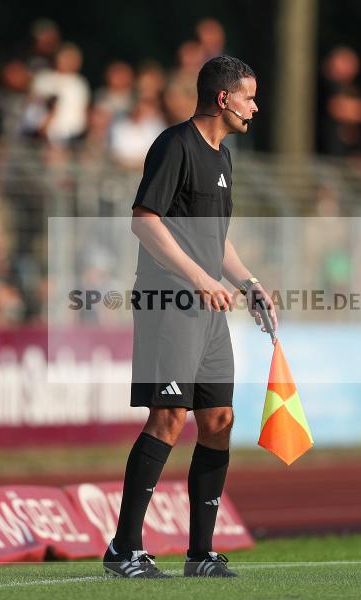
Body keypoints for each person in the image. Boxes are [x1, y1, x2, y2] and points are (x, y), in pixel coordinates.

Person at [103, 55, 275, 579]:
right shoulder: (174, 145)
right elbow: (144, 222)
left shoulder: (223, 158)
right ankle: (124, 549)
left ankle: (200, 554)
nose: (255, 106)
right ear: (223, 99)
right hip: (170, 303)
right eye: (248, 96)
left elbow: (214, 241)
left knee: (219, 420)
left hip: (210, 309)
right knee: (168, 418)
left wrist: (247, 283)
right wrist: (199, 280)